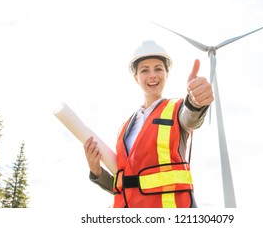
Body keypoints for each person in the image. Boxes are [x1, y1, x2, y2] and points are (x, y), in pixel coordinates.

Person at [84, 40, 214, 208]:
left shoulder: (176, 109)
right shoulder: (124, 129)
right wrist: (97, 172)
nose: (152, 75)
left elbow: (191, 117)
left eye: (158, 69)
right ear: (136, 77)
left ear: (167, 73)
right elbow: (126, 185)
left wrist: (196, 102)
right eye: (145, 70)